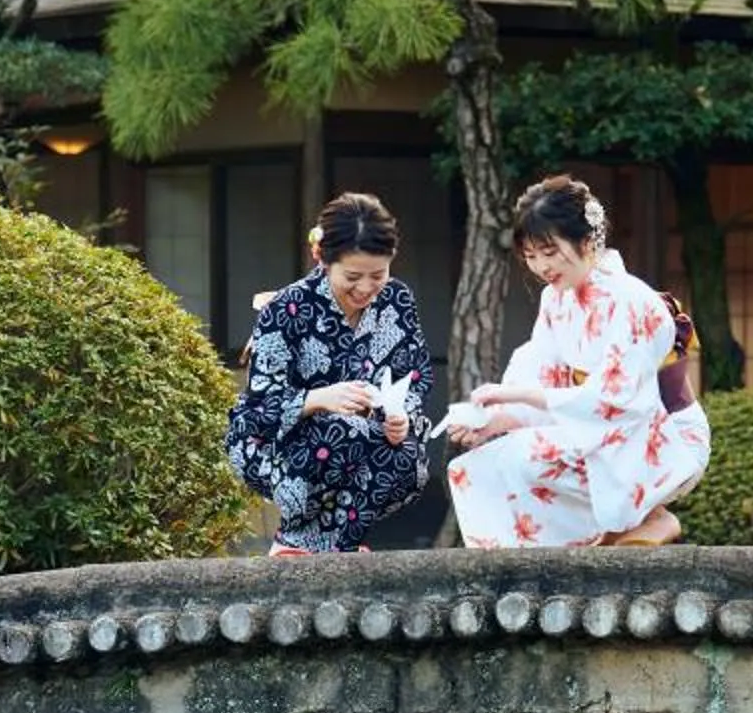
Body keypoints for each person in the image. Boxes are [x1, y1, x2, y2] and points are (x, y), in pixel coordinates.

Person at [445, 174, 711, 549]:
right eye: (531, 256)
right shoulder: (556, 300)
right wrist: (497, 420)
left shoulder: (633, 299)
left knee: (532, 452)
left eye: (549, 252)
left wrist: (516, 394)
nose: (540, 267)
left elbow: (616, 401)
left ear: (587, 241)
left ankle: (649, 515)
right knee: (499, 461)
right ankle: (617, 528)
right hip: (607, 428)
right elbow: (547, 378)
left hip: (664, 436)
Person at [228, 192, 436, 554]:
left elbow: (414, 375)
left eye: (378, 274)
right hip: (277, 441)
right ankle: (299, 543)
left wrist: (399, 415)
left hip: (365, 435)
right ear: (323, 259)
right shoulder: (285, 309)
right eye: (353, 276)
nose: (367, 288)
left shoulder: (398, 300)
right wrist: (316, 399)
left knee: (406, 457)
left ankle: (340, 545)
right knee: (344, 429)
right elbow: (258, 410)